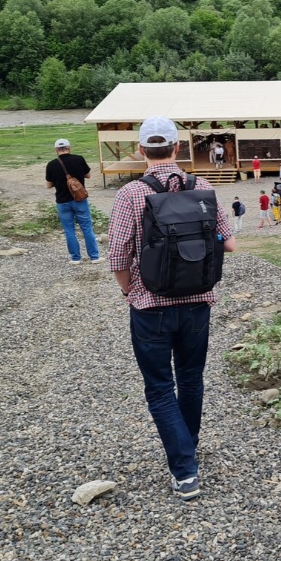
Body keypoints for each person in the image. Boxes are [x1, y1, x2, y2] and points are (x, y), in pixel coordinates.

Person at [108, 117, 236, 502]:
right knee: (191, 379)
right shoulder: (203, 187)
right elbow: (229, 244)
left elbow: (118, 257)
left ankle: (185, 470)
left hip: (151, 307)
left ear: (141, 150)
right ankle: (187, 446)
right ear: (178, 148)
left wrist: (130, 291)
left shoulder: (131, 194)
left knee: (160, 387)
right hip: (198, 302)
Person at [45, 138, 99, 265]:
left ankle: (75, 258)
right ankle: (94, 257)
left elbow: (48, 185)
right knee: (86, 228)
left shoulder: (51, 164)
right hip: (79, 199)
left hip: (62, 201)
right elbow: (88, 175)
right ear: (69, 148)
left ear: (56, 150)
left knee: (69, 230)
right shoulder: (79, 159)